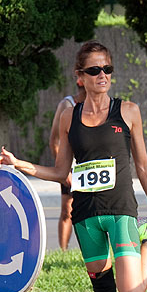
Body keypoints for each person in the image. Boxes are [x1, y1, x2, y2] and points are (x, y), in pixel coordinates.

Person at [0, 40, 147, 292]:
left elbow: (144, 166)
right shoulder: (70, 116)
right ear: (80, 76)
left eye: (107, 69)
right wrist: (19, 164)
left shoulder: (128, 111)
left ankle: (146, 241)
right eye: (95, 70)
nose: (103, 76)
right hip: (85, 216)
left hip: (120, 211)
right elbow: (60, 171)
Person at [49, 83, 86, 251]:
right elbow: (54, 142)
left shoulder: (103, 106)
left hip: (91, 166)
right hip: (71, 168)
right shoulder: (67, 105)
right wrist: (65, 171)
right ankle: (63, 251)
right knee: (67, 210)